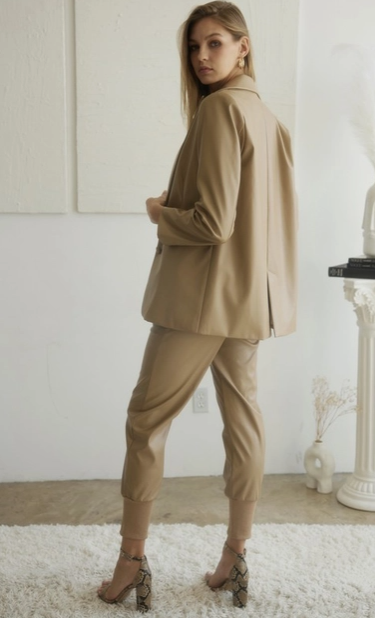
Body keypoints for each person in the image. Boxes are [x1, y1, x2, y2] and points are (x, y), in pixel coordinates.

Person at [98, 0, 297, 611]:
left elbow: (212, 223)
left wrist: (161, 214)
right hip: (249, 301)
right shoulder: (267, 118)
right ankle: (236, 554)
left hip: (203, 302)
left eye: (215, 43)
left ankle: (132, 561)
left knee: (145, 420)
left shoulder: (218, 113)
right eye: (194, 46)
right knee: (243, 419)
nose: (202, 57)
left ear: (244, 47)